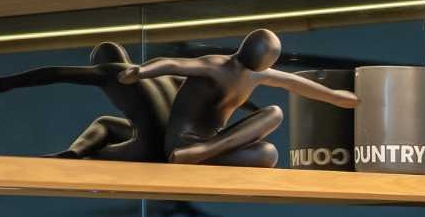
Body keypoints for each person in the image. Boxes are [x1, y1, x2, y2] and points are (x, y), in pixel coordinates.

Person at [117, 28, 358, 167]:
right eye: (267, 57)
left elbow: (294, 83)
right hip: (182, 143)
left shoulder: (256, 73)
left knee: (268, 154)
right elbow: (173, 63)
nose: (268, 64)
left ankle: (201, 153)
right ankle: (197, 152)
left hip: (210, 146)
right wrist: (140, 71)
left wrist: (334, 96)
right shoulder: (216, 65)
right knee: (275, 113)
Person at [0, 42, 179, 162]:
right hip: (173, 146)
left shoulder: (111, 71)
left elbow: (55, 73)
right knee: (108, 123)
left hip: (148, 148)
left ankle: (74, 154)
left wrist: (7, 83)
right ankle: (75, 153)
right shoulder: (162, 75)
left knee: (94, 153)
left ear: (100, 64)